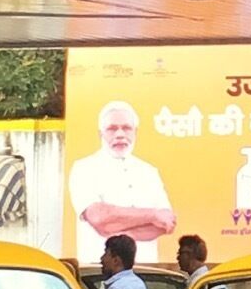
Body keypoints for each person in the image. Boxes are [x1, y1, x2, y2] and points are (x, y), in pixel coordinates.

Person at [67, 100, 176, 264]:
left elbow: (166, 224)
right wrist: (152, 215)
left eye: (126, 128)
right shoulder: (84, 168)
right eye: (112, 129)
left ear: (135, 132)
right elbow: (98, 217)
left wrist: (115, 229)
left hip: (148, 270)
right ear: (100, 134)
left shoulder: (149, 172)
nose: (119, 134)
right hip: (99, 271)